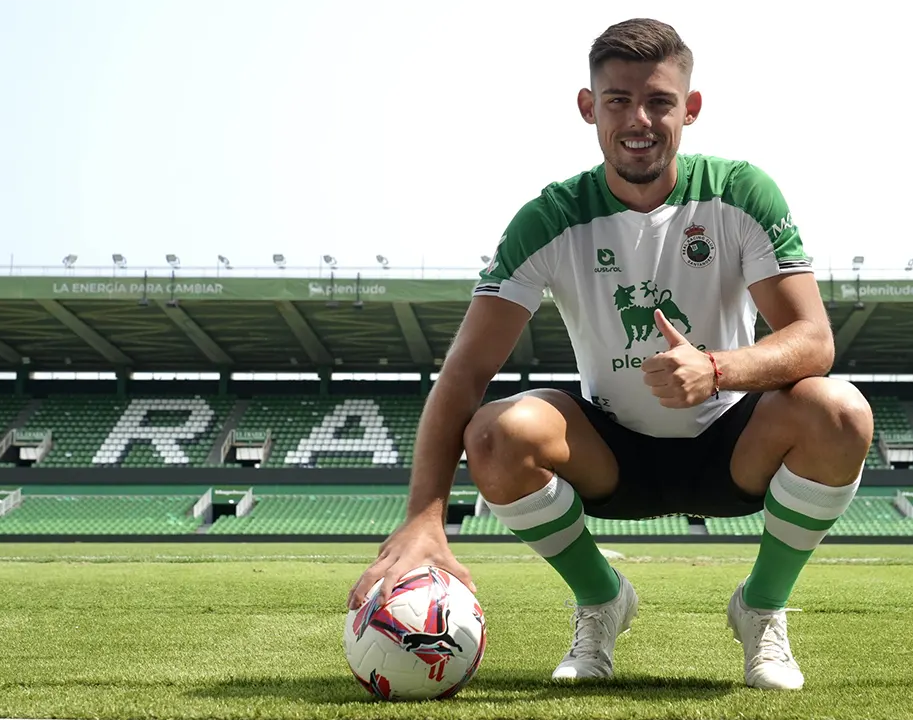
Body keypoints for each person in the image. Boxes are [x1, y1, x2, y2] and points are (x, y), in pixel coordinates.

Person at [348, 17, 873, 691]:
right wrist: (424, 517)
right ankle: (602, 600)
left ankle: (761, 610)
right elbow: (466, 373)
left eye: (659, 101)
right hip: (611, 453)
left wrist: (717, 369)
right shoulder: (550, 217)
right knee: (497, 433)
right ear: (588, 108)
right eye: (619, 100)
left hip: (732, 446)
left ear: (691, 108)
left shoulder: (741, 193)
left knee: (840, 412)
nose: (640, 119)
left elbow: (814, 340)